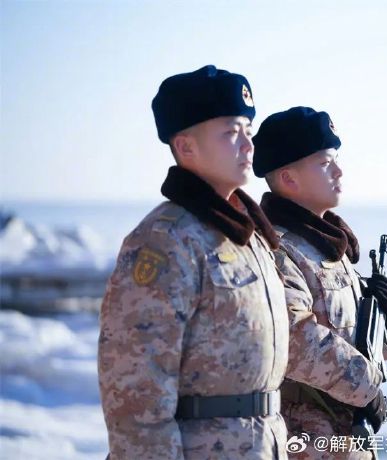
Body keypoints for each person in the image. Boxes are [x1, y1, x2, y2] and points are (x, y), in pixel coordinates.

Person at [98, 65, 289, 459]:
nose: (248, 146)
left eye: (249, 131)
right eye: (231, 133)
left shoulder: (250, 236)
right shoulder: (165, 239)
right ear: (186, 147)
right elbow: (136, 392)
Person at [252, 107, 387, 459]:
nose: (338, 171)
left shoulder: (330, 249)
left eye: (336, 160)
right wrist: (367, 388)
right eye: (324, 163)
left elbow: (358, 345)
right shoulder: (277, 250)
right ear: (288, 178)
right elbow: (293, 340)